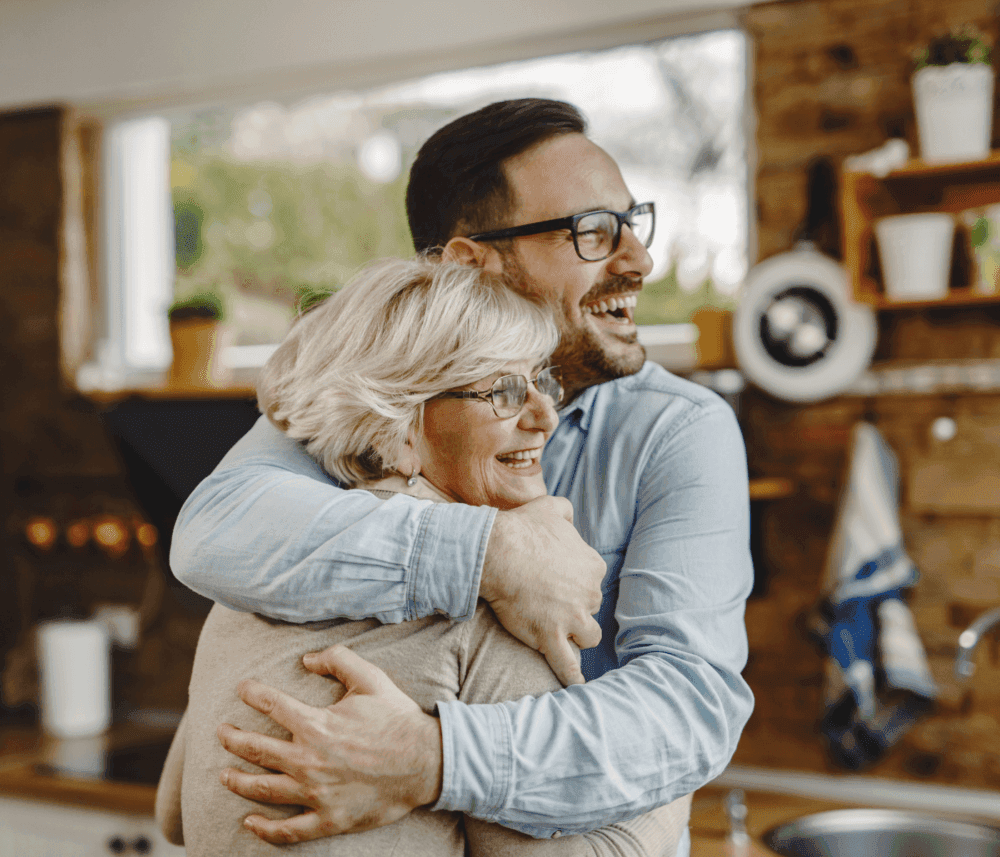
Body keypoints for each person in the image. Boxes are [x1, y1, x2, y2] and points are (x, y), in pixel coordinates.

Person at [170, 98, 754, 852]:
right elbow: (216, 529)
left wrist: (427, 758)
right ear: (468, 262)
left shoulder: (678, 431)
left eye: (632, 221)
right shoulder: (377, 393)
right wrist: (494, 555)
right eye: (591, 231)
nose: (639, 260)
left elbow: (688, 706)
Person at [155, 257, 692, 856]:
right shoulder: (490, 617)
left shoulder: (242, 589)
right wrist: (674, 776)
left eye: (541, 381)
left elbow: (174, 813)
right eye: (504, 391)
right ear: (403, 426)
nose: (546, 416)